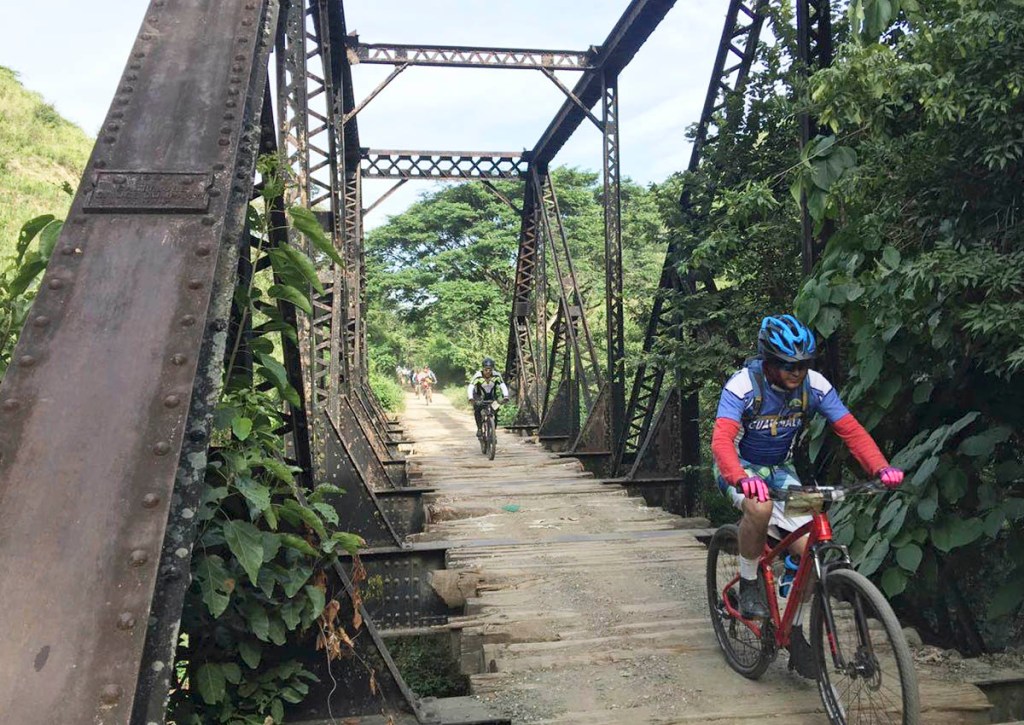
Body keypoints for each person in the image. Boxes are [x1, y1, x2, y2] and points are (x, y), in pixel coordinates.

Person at [711, 314, 904, 628]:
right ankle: (748, 583)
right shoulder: (743, 385)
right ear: (769, 361)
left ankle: (796, 629)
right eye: (789, 365)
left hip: (780, 470)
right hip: (739, 468)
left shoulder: (814, 385)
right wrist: (741, 479)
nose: (798, 371)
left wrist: (880, 467)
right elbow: (722, 441)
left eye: (804, 364)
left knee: (813, 550)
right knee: (760, 508)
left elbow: (850, 430)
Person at [467, 357, 509, 438]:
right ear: (483, 368)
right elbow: (471, 387)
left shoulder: (497, 375)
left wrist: (506, 396)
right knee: (477, 409)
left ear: (492, 369)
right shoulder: (478, 375)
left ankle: (493, 431)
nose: (488, 372)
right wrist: (471, 398)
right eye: (486, 369)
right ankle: (479, 428)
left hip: (492, 397)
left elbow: (502, 386)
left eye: (490, 370)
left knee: (496, 410)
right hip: (479, 397)